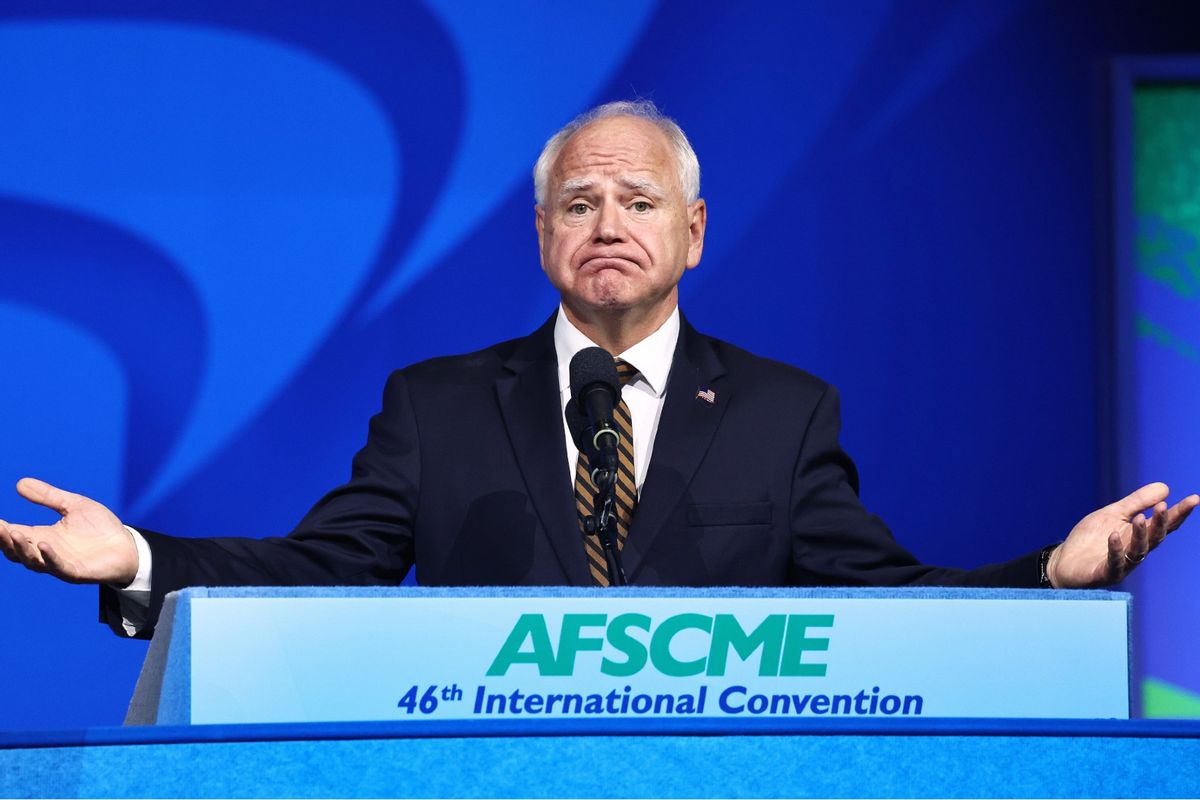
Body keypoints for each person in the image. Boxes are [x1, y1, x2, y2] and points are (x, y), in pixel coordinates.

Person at [1, 100, 1196, 640]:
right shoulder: (436, 403)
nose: (608, 222)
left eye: (639, 199)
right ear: (540, 238)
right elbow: (323, 568)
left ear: (695, 230)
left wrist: (1049, 575)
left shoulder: (785, 410)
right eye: (578, 202)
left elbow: (883, 598)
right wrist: (144, 557)